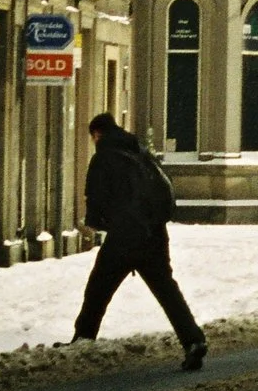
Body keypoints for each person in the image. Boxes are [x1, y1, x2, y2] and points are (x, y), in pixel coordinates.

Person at [76, 113, 207, 371]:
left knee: (98, 289)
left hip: (124, 236)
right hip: (155, 233)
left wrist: (102, 223)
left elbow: (96, 202)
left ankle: (83, 340)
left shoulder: (104, 158)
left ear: (97, 134)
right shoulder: (140, 152)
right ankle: (193, 340)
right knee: (167, 291)